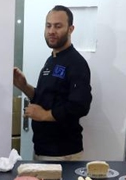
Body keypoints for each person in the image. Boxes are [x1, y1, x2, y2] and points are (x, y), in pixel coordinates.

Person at [13, 5, 92, 161]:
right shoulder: (51, 60)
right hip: (43, 151)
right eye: (48, 25)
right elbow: (46, 98)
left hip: (64, 154)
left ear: (71, 29)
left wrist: (44, 115)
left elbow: (80, 106)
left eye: (58, 26)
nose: (51, 31)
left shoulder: (76, 63)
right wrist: (23, 86)